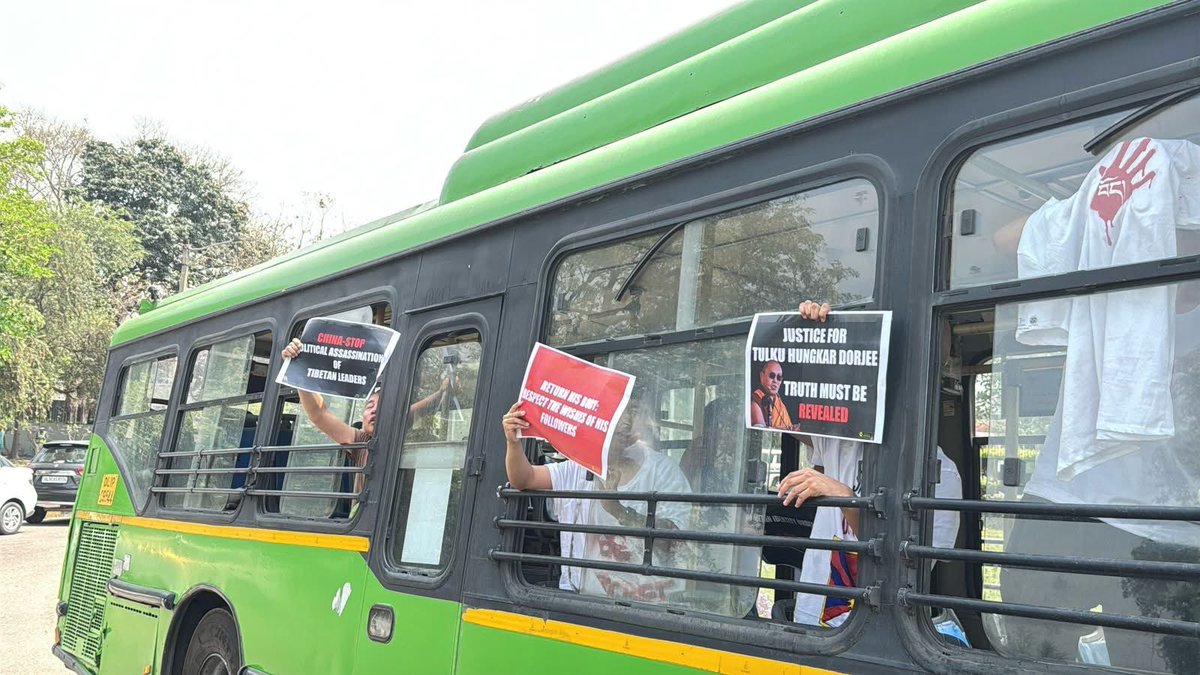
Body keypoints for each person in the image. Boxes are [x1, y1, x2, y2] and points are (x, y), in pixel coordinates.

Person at [777, 300, 962, 628]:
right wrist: (805, 335)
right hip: (809, 619)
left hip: (872, 635)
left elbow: (904, 563)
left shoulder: (940, 472)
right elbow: (782, 414)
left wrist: (843, 495)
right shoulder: (837, 439)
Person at [502, 401, 692, 601]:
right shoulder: (577, 468)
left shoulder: (662, 470)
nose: (625, 421)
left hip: (650, 604)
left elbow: (675, 541)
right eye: (616, 416)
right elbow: (524, 478)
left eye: (631, 413)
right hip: (583, 600)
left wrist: (617, 510)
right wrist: (513, 442)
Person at [280, 337, 449, 473]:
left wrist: (445, 391)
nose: (374, 410)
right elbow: (319, 414)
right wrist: (298, 369)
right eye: (369, 407)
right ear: (363, 417)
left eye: (381, 406)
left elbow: (422, 407)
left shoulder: (399, 432)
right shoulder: (360, 442)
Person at [749, 360, 795, 430]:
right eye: (772, 376)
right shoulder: (756, 400)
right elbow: (761, 431)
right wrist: (785, 429)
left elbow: (788, 426)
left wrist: (793, 429)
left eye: (779, 378)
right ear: (762, 376)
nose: (775, 381)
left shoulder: (779, 403)